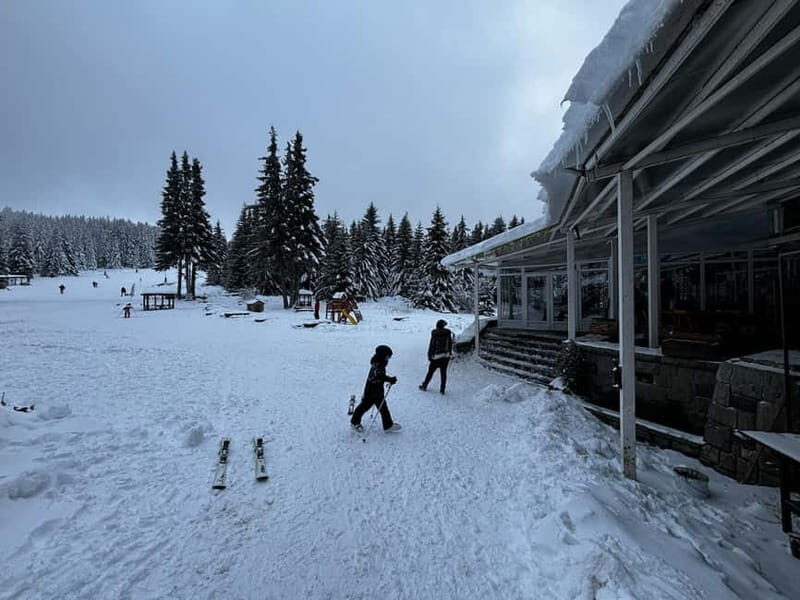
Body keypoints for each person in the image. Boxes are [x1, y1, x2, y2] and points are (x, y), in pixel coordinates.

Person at [350, 345, 401, 433]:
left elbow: (380, 376)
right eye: (388, 356)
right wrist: (390, 379)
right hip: (373, 391)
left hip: (375, 390)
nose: (388, 359)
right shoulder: (378, 365)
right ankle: (355, 422)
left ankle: (388, 425)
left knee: (381, 407)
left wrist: (388, 379)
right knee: (366, 406)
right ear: (383, 356)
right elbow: (379, 376)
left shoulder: (378, 362)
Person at [419, 319, 454, 395]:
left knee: (430, 372)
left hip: (436, 357)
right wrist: (449, 353)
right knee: (443, 373)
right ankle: (442, 390)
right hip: (445, 356)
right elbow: (450, 344)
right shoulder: (448, 333)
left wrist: (429, 355)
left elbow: (432, 345)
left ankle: (424, 385)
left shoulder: (435, 333)